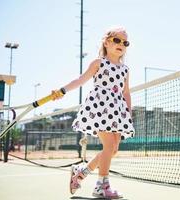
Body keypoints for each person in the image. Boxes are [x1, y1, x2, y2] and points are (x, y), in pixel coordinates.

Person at [51, 26, 135, 199]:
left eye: (125, 42)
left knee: (112, 150)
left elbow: (125, 93)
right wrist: (62, 90)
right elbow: (80, 80)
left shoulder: (125, 69)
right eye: (116, 40)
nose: (121, 44)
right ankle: (101, 187)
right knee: (109, 147)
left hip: (117, 112)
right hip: (99, 108)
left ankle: (81, 173)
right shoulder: (98, 63)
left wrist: (128, 113)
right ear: (106, 42)